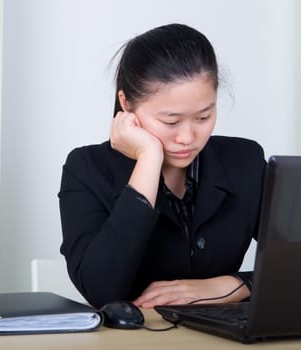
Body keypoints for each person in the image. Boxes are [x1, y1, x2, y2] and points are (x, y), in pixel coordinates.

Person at [58, 23, 266, 309]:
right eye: (170, 122)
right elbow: (100, 289)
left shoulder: (244, 161)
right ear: (126, 104)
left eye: (204, 117)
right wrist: (149, 158)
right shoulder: (87, 169)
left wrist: (227, 286)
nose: (187, 138)